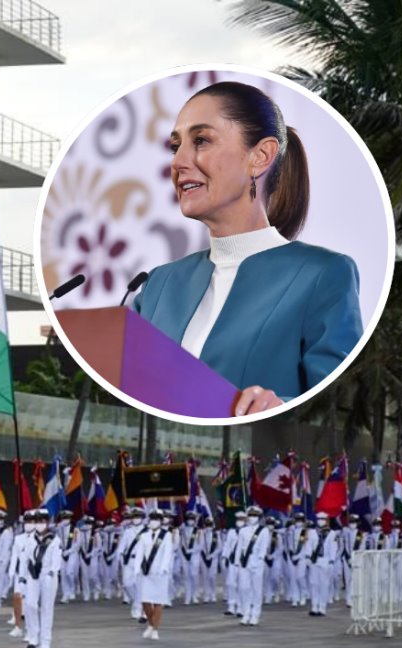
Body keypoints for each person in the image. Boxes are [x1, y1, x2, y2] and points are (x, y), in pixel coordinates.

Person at [134, 81, 362, 413]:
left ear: (260, 157)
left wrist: (279, 404)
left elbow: (337, 404)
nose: (178, 161)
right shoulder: (157, 285)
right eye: (175, 146)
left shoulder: (323, 275)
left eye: (201, 140)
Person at [22, 510, 62, 648]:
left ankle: (45, 642)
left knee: (46, 609)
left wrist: (51, 574)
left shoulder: (55, 540)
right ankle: (33, 636)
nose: (39, 524)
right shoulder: (30, 539)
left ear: (47, 522)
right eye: (37, 521)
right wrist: (25, 575)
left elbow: (56, 561)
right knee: (30, 605)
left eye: (42, 521)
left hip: (48, 576)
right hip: (33, 575)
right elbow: (26, 558)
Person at [136, 509, 174, 641]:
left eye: (156, 519)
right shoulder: (144, 536)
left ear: (161, 521)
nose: (153, 521)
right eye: (152, 518)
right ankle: (151, 625)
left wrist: (163, 568)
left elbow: (167, 553)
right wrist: (137, 568)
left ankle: (154, 629)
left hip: (160, 573)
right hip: (146, 572)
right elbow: (139, 553)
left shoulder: (166, 535)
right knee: (145, 600)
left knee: (158, 602)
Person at [234, 506, 270, 626]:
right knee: (244, 588)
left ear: (259, 517)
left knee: (256, 590)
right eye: (250, 515)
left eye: (255, 515)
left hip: (256, 563)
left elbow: (264, 547)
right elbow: (239, 547)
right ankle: (246, 613)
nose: (252, 518)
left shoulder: (263, 531)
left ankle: (255, 615)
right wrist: (236, 561)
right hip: (244, 562)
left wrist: (259, 560)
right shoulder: (243, 530)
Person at [7, 511, 35, 640]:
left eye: (31, 522)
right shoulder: (19, 538)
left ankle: (30, 630)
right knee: (17, 598)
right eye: (27, 522)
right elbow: (14, 555)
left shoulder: (38, 538)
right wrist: (11, 572)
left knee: (30, 603)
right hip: (20, 573)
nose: (28, 524)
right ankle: (18, 627)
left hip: (33, 574)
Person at [305, 512, 339, 617]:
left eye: (323, 519)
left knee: (324, 585)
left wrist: (331, 561)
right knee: (313, 584)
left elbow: (333, 548)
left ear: (327, 520)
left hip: (325, 560)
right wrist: (307, 557)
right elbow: (308, 545)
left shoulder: (332, 533)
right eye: (319, 518)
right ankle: (314, 606)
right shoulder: (312, 532)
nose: (320, 520)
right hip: (314, 560)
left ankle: (322, 607)